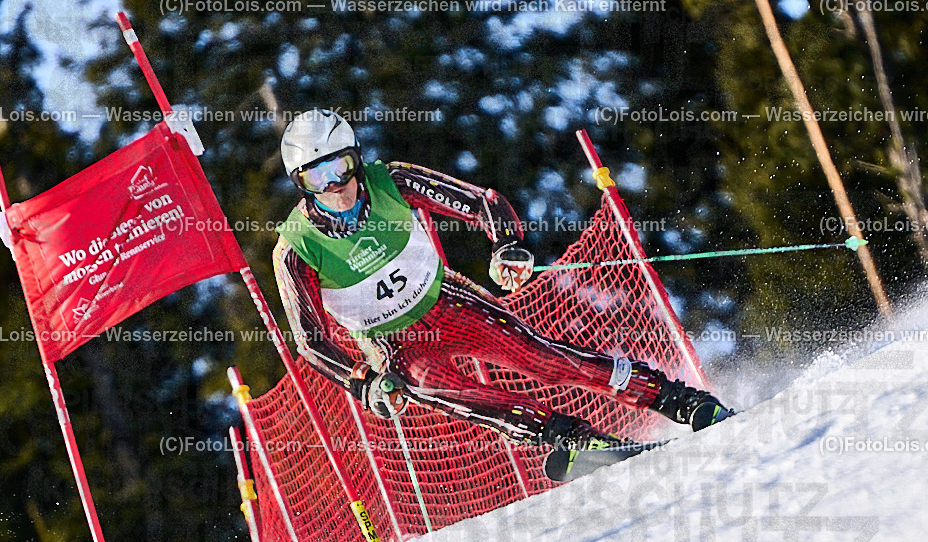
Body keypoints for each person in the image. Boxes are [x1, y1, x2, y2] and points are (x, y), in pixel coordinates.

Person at [272, 109, 732, 451]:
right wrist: (364, 382)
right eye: (317, 176)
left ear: (356, 159)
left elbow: (482, 202)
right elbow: (311, 342)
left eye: (341, 167)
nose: (335, 184)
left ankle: (675, 399)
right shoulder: (297, 249)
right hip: (396, 344)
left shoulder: (391, 180)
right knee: (448, 391)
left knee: (544, 361)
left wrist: (506, 244)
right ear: (301, 183)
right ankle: (569, 439)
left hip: (447, 304)